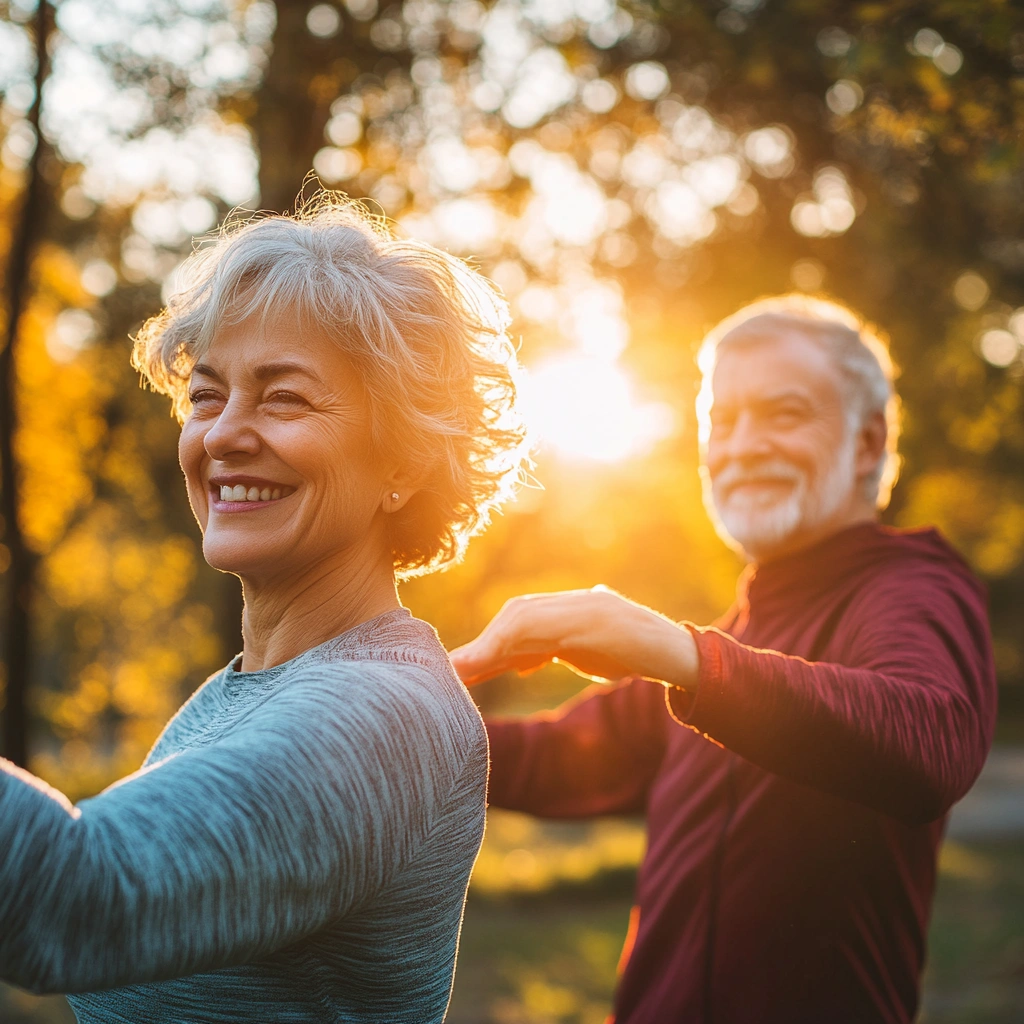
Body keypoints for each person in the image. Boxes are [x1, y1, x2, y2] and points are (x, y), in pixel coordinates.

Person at [0, 196, 527, 1023]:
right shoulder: (234, 696)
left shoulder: (388, 711)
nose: (222, 436)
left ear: (405, 461)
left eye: (284, 399)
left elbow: (75, 896)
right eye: (207, 396)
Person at [451, 295, 997, 1024]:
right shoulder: (729, 640)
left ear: (868, 444)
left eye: (784, 413)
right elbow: (556, 758)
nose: (742, 447)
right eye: (722, 421)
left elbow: (930, 741)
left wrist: (678, 653)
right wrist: (394, 709)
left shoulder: (911, 585)